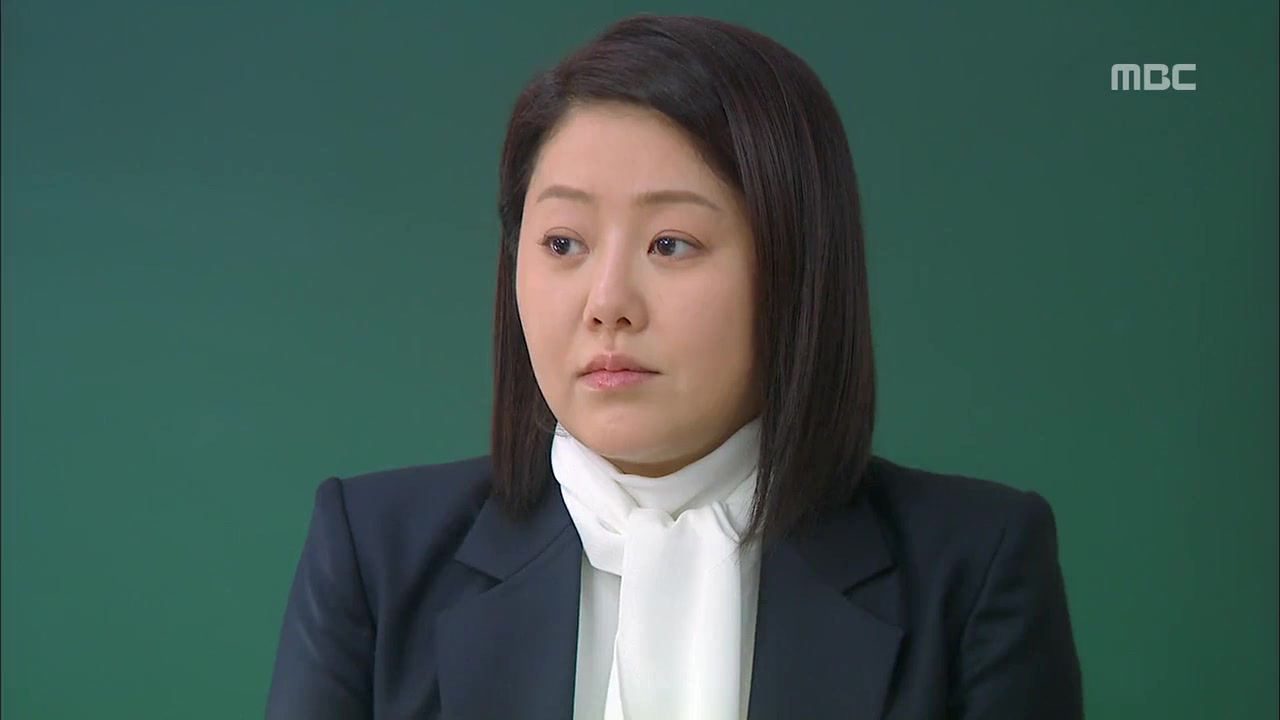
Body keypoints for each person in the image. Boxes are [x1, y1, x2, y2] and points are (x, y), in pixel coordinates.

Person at [265, 13, 1083, 720]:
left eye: (671, 244)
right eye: (563, 243)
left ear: (798, 269)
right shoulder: (373, 557)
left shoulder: (973, 569)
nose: (607, 302)